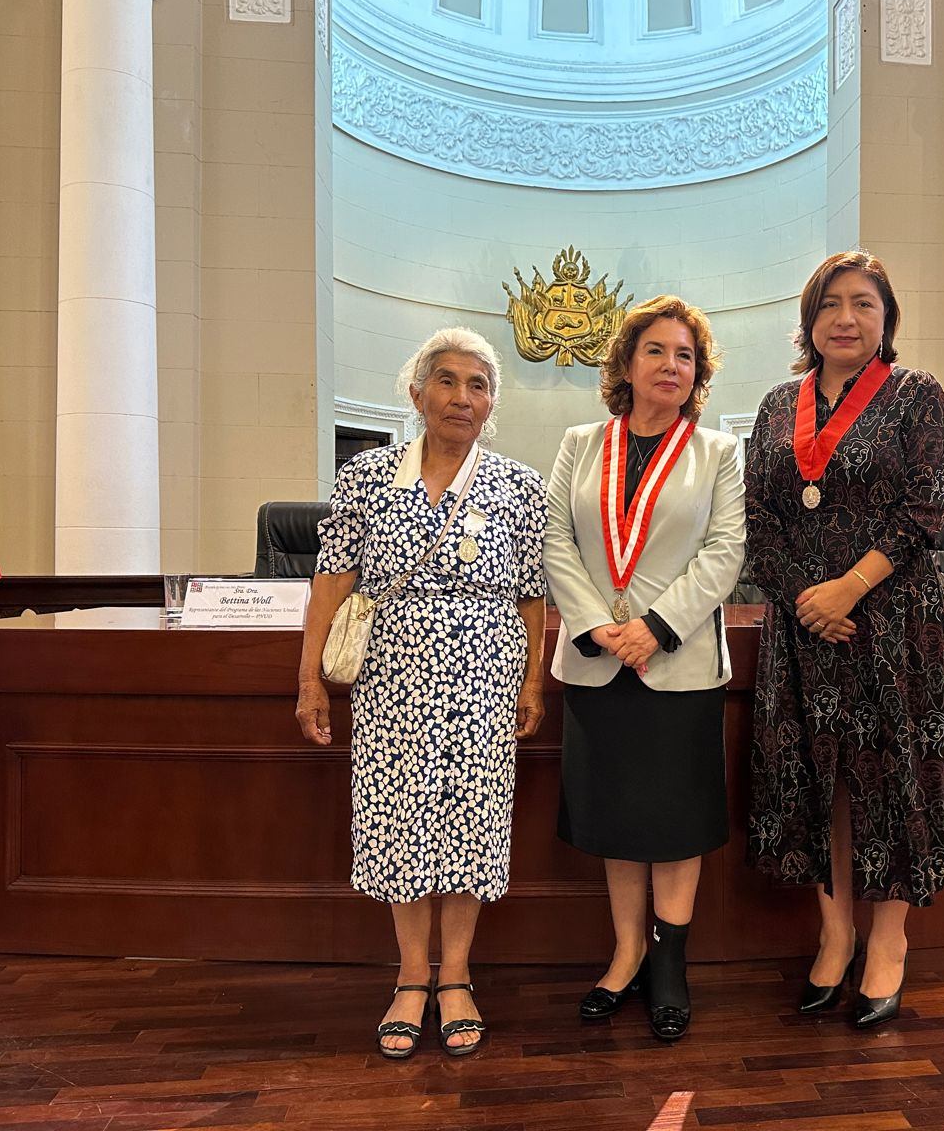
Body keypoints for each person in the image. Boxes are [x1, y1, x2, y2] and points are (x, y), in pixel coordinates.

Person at [295, 327, 547, 1059]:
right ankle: (411, 977)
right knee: (400, 822)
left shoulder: (519, 485)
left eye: (477, 384)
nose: (461, 397)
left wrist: (532, 679)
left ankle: (458, 977)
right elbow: (334, 580)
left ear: (491, 402)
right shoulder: (367, 476)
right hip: (393, 679)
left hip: (484, 679)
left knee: (470, 823)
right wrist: (308, 676)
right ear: (416, 392)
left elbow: (531, 594)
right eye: (446, 380)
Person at [744, 249, 944, 1029]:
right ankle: (833, 936)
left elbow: (923, 511)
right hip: (803, 632)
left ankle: (888, 943)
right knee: (816, 784)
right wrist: (809, 601)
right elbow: (759, 522)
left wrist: (847, 590)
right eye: (832, 303)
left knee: (886, 783)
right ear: (810, 319)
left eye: (863, 304)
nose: (846, 317)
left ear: (886, 319)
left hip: (891, 624)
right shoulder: (775, 405)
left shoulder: (915, 395)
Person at [542, 294, 745, 1042]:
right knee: (617, 821)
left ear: (699, 374)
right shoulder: (578, 443)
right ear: (626, 363)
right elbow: (557, 540)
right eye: (656, 350)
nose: (671, 365)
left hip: (677, 662)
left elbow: (725, 552)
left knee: (674, 821)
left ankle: (669, 965)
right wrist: (600, 623)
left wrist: (655, 627)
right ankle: (624, 955)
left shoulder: (719, 453)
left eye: (686, 355)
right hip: (598, 663)